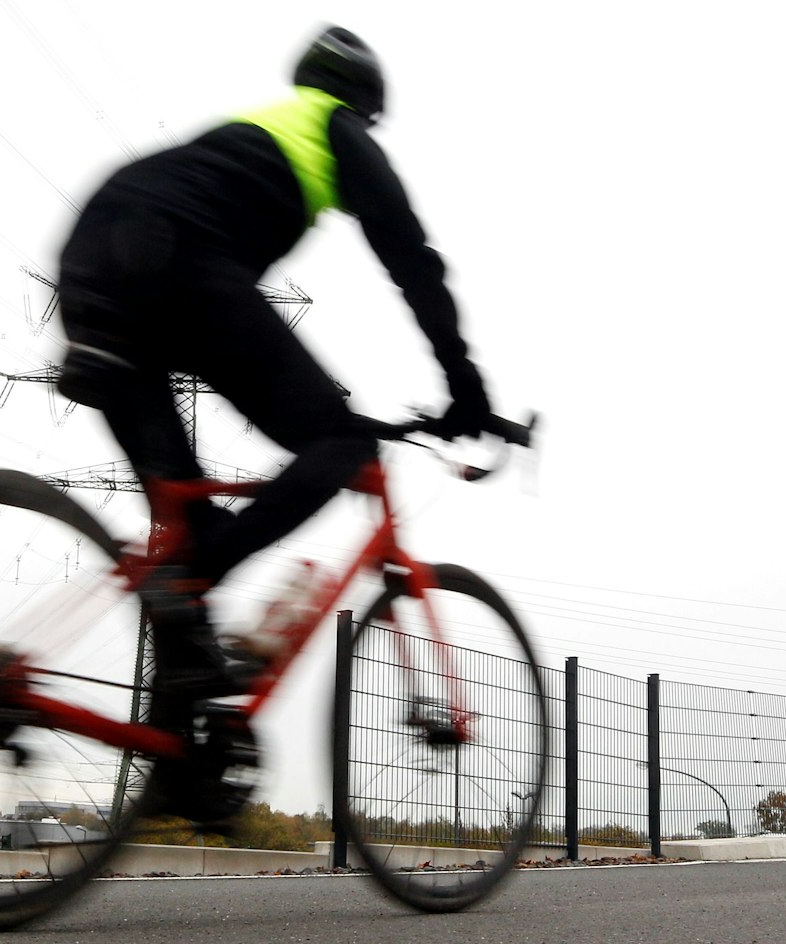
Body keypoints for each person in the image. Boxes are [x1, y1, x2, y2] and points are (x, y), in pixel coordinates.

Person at [52, 26, 493, 719]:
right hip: (176, 255)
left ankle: (180, 754)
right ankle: (201, 570)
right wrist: (465, 387)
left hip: (94, 258)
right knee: (342, 444)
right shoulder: (334, 127)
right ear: (362, 102)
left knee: (184, 540)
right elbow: (413, 261)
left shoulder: (253, 134)